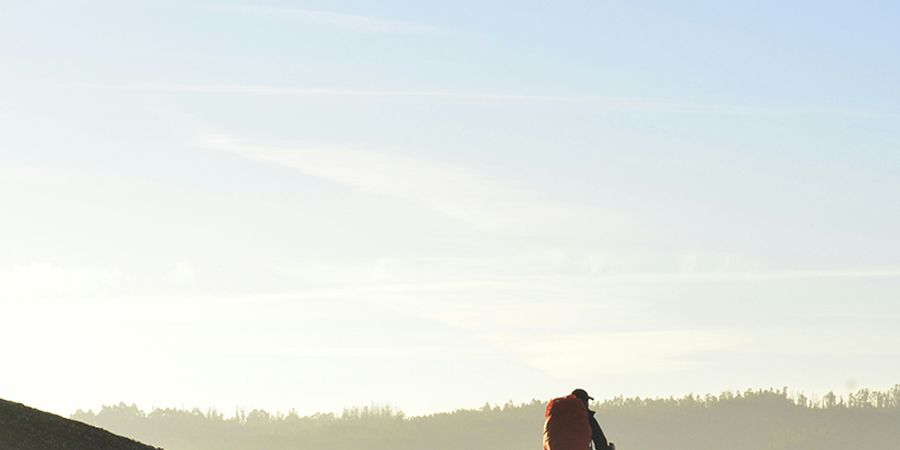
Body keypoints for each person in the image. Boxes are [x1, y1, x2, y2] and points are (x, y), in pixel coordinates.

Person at [543, 388, 614, 450]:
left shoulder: (555, 416)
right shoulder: (585, 417)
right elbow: (600, 443)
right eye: (587, 401)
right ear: (584, 402)